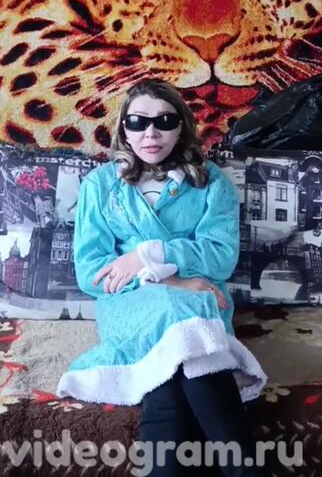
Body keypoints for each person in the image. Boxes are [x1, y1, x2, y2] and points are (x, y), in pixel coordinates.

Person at [57, 79, 267, 476]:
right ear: (124, 128)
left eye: (164, 121)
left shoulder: (210, 182)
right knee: (177, 312)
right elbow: (91, 273)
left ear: (181, 126)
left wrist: (148, 255)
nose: (150, 133)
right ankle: (245, 469)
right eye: (138, 122)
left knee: (167, 383)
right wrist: (171, 281)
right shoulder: (101, 186)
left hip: (201, 302)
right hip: (133, 307)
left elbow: (221, 258)